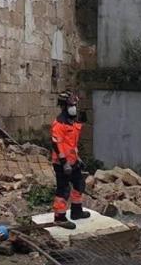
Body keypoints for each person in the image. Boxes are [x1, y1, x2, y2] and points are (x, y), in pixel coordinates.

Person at [51, 90, 90, 227]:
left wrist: (77, 158)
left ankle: (76, 211)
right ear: (63, 106)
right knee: (63, 189)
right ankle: (59, 217)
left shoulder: (72, 122)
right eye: (71, 105)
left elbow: (72, 144)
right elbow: (57, 144)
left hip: (73, 160)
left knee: (79, 184)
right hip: (62, 163)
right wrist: (64, 163)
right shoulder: (59, 124)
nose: (74, 108)